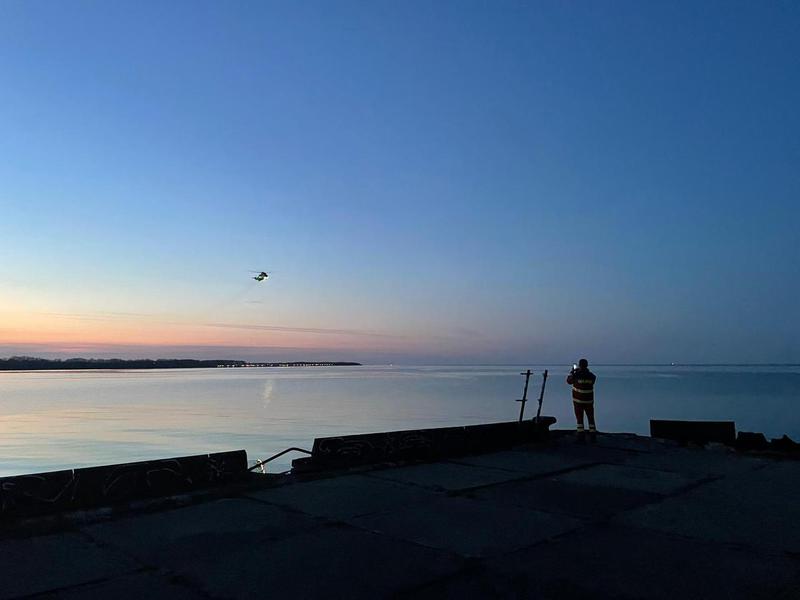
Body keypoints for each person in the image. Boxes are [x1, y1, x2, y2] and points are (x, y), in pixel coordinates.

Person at [566, 358, 597, 442]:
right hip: (589, 401)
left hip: (578, 401)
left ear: (579, 365)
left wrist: (572, 372)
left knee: (579, 418)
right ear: (587, 365)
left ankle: (581, 436)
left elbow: (568, 381)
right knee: (591, 418)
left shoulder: (576, 375)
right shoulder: (591, 376)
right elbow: (593, 380)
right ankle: (593, 436)